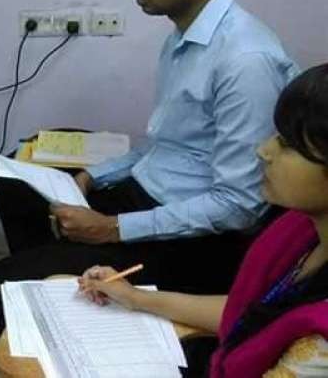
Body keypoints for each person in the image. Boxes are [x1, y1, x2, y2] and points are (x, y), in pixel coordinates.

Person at [0, 0, 300, 336]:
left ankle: (62, 305)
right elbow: (167, 143)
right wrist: (92, 177)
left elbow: (238, 205)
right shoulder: (184, 38)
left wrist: (111, 228)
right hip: (151, 189)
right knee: (15, 188)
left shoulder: (245, 61)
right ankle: (56, 296)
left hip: (198, 238)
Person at [80, 63, 328, 378]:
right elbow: (247, 311)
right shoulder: (301, 229)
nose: (263, 151)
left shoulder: (318, 350)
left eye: (288, 145)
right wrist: (134, 297)